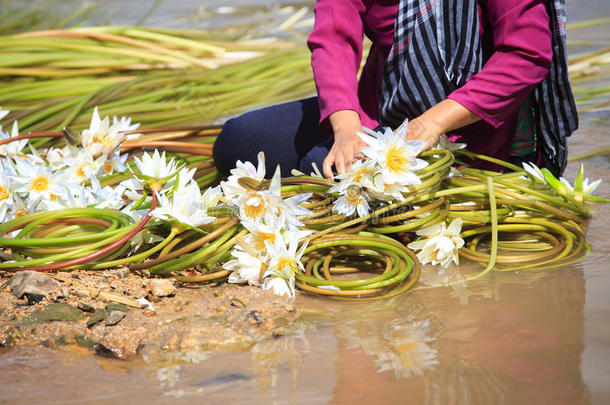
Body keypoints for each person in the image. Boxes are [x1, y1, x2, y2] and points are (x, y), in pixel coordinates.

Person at [213, 0, 577, 180]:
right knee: (239, 140)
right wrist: (346, 128)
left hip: (469, 131)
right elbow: (333, 39)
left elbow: (525, 55)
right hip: (385, 108)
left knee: (327, 173)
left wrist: (430, 125)